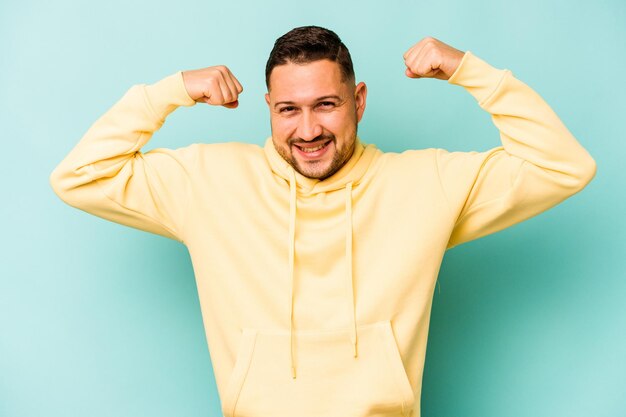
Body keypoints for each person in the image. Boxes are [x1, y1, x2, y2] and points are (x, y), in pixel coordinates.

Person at [49, 26, 596, 417]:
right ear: (268, 107)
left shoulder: (426, 184)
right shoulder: (208, 183)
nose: (308, 129)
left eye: (326, 105)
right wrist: (168, 92)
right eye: (289, 109)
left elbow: (564, 166)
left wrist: (470, 73)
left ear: (358, 101)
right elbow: (78, 177)